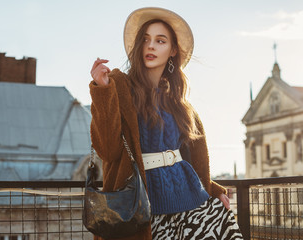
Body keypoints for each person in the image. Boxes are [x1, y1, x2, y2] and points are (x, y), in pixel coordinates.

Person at [89, 7, 243, 240]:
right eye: (146, 39)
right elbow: (107, 150)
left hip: (192, 205)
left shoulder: (181, 103)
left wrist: (212, 189)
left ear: (172, 50)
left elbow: (193, 160)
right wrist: (102, 91)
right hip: (142, 213)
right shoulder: (119, 86)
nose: (150, 46)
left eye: (160, 41)